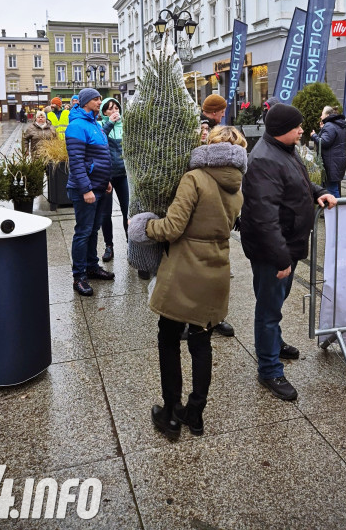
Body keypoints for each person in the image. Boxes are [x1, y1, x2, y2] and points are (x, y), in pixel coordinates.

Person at [128, 126, 247, 439]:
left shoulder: (194, 179)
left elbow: (172, 227)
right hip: (216, 270)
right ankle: (195, 414)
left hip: (184, 270)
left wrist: (144, 226)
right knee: (201, 341)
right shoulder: (237, 188)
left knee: (168, 337)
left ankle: (169, 414)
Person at [241, 104, 337, 401]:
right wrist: (280, 258)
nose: (303, 130)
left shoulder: (284, 150)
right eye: (298, 126)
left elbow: (300, 183)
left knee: (276, 301)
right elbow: (264, 218)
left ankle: (275, 344)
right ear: (282, 129)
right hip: (273, 250)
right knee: (268, 309)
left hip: (287, 244)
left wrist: (318, 190)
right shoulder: (264, 161)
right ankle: (269, 369)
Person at [65, 88, 114, 296]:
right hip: (86, 189)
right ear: (85, 102)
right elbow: (76, 162)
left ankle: (92, 267)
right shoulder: (77, 126)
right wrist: (86, 189)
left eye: (99, 98)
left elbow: (101, 156)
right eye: (96, 99)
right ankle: (79, 276)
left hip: (100, 186)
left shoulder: (94, 124)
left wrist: (106, 181)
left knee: (93, 230)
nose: (99, 101)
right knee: (83, 232)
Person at [199, 93, 234, 337]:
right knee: (202, 268)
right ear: (214, 111)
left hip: (216, 201)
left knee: (215, 268)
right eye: (220, 111)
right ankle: (200, 318)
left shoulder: (216, 127)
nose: (223, 114)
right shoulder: (203, 128)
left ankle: (215, 316)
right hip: (204, 200)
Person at [99, 97, 129, 263]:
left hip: (124, 174)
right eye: (110, 108)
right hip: (107, 175)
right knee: (105, 213)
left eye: (116, 108)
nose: (114, 111)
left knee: (127, 211)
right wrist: (109, 122)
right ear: (104, 112)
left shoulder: (125, 125)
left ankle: (130, 243)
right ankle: (109, 246)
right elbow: (100, 140)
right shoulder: (100, 126)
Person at [310, 105, 346, 198]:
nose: (320, 116)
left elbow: (324, 142)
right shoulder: (338, 124)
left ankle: (337, 211)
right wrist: (323, 129)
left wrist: (314, 135)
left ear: (327, 115)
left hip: (331, 162)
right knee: (333, 187)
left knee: (331, 189)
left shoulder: (329, 125)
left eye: (322, 114)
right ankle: (334, 210)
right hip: (337, 161)